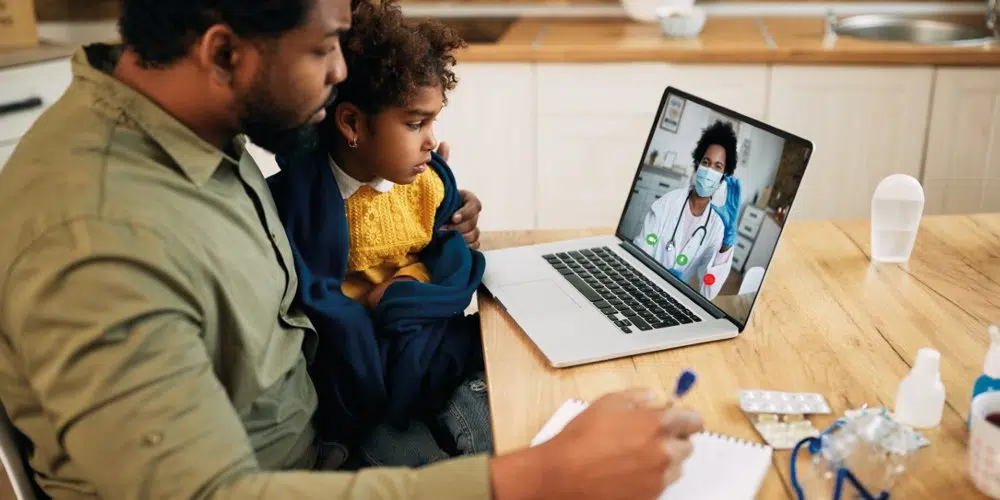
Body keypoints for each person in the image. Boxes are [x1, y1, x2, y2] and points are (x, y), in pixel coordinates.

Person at [0, 0, 704, 498]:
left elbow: (351, 146)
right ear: (221, 52)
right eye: (322, 48)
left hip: (333, 430)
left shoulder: (193, 120)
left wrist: (422, 169)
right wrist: (538, 480)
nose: (342, 69)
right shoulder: (98, 241)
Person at [267, 0, 490, 467]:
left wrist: (415, 284)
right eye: (415, 123)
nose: (431, 139)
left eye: (433, 121)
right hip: (358, 373)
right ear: (351, 124)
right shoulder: (303, 201)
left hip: (427, 348)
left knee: (492, 429)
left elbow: (448, 253)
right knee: (414, 464)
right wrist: (369, 305)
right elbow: (313, 303)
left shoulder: (425, 182)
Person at [634, 120, 742, 300]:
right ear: (698, 163)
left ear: (724, 175)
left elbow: (708, 291)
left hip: (676, 299)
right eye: (706, 162)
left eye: (717, 166)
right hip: (643, 286)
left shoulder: (717, 225)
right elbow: (639, 253)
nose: (709, 171)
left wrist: (727, 241)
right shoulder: (667, 203)